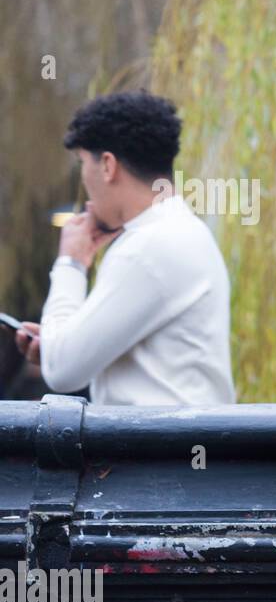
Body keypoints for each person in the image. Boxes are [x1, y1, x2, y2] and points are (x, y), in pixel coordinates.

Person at [14, 90, 235, 405]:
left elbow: (62, 371)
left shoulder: (148, 248)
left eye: (82, 165)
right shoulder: (181, 230)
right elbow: (72, 354)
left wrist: (71, 264)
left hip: (158, 449)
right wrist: (58, 341)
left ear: (107, 165)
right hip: (180, 445)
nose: (85, 187)